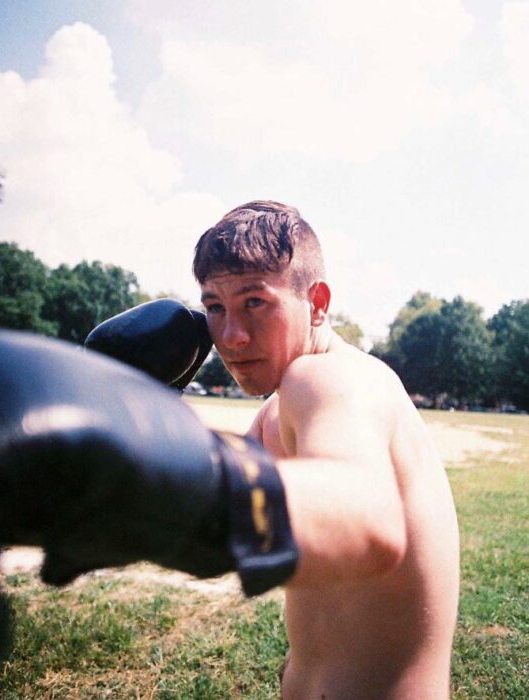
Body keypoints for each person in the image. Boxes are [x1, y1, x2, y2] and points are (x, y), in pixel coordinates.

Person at [192, 200, 460, 699]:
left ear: (316, 303)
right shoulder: (276, 413)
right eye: (214, 308)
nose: (230, 336)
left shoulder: (328, 378)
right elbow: (214, 519)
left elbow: (366, 520)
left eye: (255, 302)